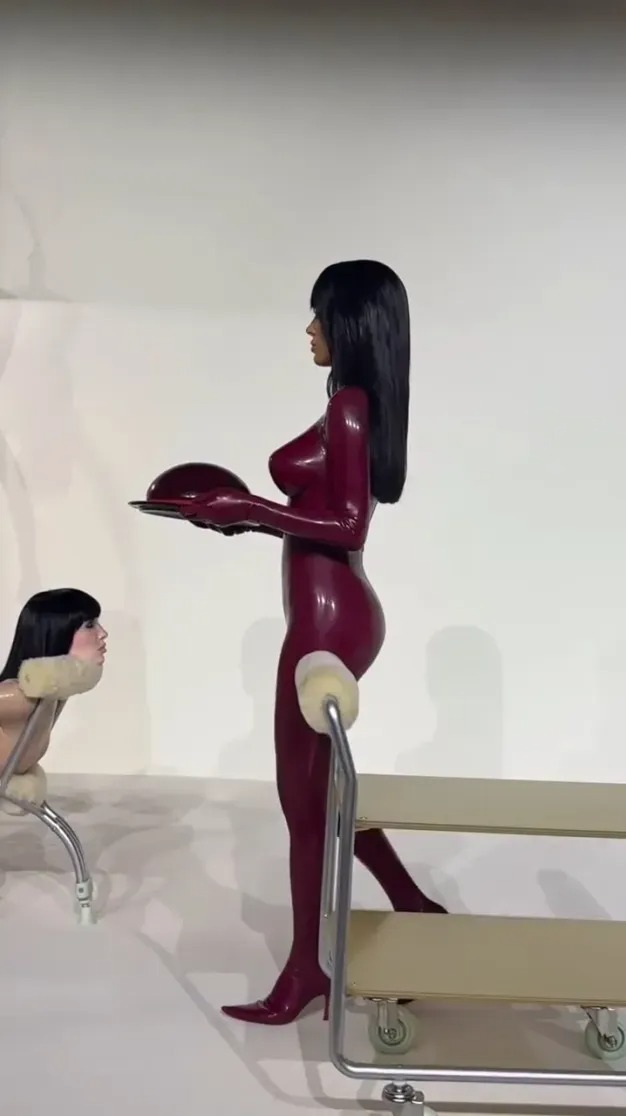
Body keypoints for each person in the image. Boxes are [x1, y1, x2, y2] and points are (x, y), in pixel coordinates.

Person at [179, 260, 446, 1025]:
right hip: (333, 611)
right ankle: (412, 903)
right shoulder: (349, 402)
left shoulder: (352, 406)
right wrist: (239, 515)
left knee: (302, 805)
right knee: (320, 793)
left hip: (330, 621)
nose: (309, 330)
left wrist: (252, 508)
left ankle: (305, 972)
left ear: (350, 325)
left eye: (319, 317)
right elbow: (322, 512)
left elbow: (349, 526)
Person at [0, 588, 107, 774]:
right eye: (90, 625)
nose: (103, 633)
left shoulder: (50, 693)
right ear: (58, 632)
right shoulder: (18, 698)